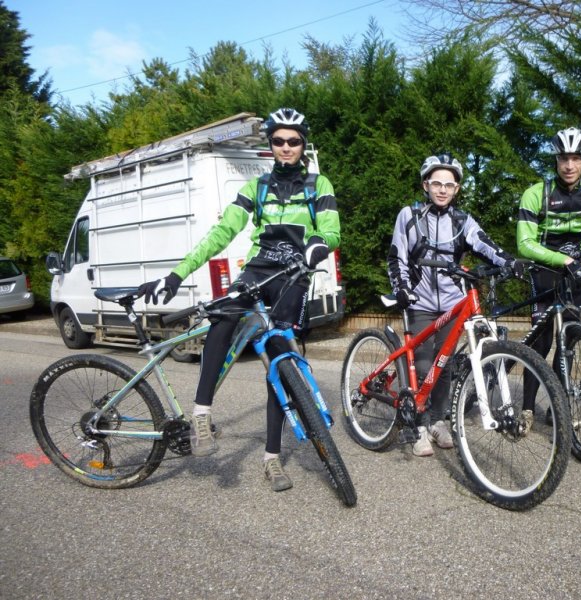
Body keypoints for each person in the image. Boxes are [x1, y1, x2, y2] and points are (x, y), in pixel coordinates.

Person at [138, 108, 340, 491]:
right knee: (223, 314)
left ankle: (272, 458)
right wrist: (178, 272)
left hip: (294, 276)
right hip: (258, 270)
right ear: (271, 144)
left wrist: (319, 243)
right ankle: (201, 414)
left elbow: (332, 231)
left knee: (278, 363)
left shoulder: (319, 184)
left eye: (293, 141)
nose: (285, 147)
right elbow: (222, 233)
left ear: (302, 145)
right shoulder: (257, 188)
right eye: (278, 141)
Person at [387, 152, 528, 457]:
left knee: (446, 362)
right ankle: (420, 425)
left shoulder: (462, 221)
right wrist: (401, 289)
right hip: (420, 301)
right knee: (424, 363)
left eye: (448, 185)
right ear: (426, 185)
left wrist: (509, 261)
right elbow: (397, 255)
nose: (441, 190)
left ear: (456, 189)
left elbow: (483, 243)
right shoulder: (408, 216)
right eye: (436, 183)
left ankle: (439, 421)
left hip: (453, 300)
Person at [516, 127, 581, 428]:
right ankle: (526, 409)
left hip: (575, 273)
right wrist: (564, 260)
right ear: (556, 159)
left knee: (571, 340)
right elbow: (525, 244)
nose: (569, 165)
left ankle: (557, 406)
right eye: (564, 157)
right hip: (545, 271)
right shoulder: (537, 193)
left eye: (576, 158)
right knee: (541, 343)